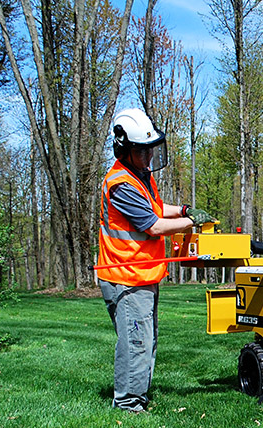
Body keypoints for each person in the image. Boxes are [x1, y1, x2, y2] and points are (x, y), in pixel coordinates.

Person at [97, 108, 215, 412]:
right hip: (125, 276)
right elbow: (153, 225)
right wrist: (191, 224)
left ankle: (138, 397)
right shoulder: (121, 184)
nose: (149, 156)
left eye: (151, 149)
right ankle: (128, 405)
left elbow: (158, 209)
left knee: (146, 342)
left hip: (142, 275)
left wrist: (185, 210)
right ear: (126, 150)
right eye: (142, 151)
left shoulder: (140, 178)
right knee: (136, 343)